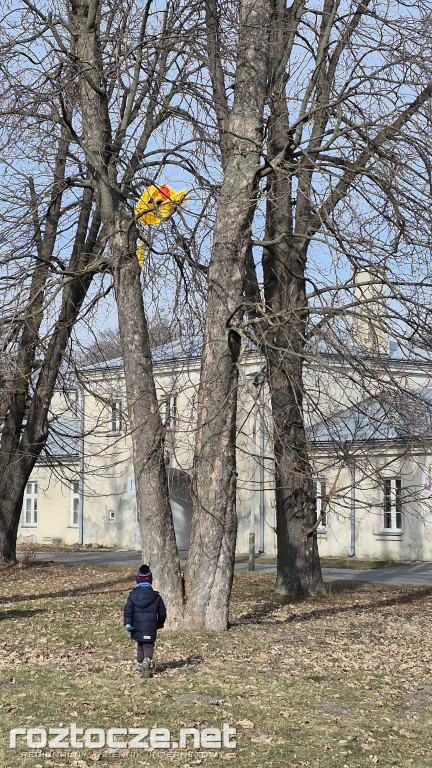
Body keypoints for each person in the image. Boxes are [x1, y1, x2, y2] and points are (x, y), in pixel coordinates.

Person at [123, 564, 166, 678]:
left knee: (140, 645)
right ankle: (146, 661)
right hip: (150, 627)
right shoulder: (156, 597)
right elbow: (162, 612)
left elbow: (128, 610)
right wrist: (160, 623)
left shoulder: (132, 596)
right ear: (150, 580)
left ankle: (139, 664)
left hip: (137, 627)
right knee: (148, 645)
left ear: (137, 580)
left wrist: (128, 623)